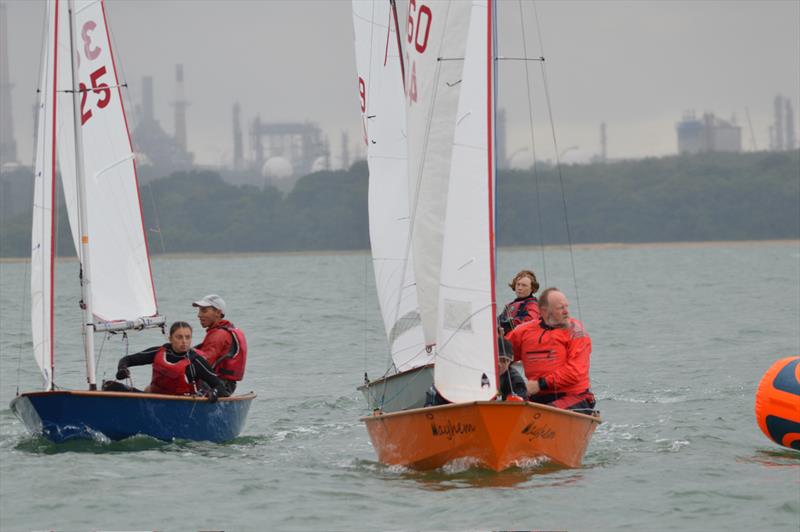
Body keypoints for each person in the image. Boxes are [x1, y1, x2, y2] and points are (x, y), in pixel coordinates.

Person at [505, 288, 596, 414]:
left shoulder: (576, 332)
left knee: (546, 413)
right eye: (560, 308)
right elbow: (500, 356)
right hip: (538, 397)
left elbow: (575, 372)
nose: (566, 312)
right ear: (544, 311)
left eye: (566, 307)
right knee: (510, 410)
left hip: (574, 396)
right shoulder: (523, 332)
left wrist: (540, 384)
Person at [103, 321, 230, 402]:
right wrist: (122, 369)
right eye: (179, 337)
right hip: (153, 400)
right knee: (109, 386)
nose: (184, 341)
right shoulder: (158, 352)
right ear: (170, 338)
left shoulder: (196, 361)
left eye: (188, 337)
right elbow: (127, 360)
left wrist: (214, 393)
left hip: (180, 406)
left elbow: (220, 387)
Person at [192, 294, 247, 394]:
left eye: (204, 311)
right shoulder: (223, 331)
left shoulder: (218, 335)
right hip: (226, 385)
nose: (199, 315)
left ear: (218, 312)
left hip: (216, 386)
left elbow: (204, 363)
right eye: (199, 311)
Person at [497, 269, 540, 335]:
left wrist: (508, 324)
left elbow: (530, 321)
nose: (520, 288)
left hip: (521, 340)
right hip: (506, 339)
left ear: (532, 288)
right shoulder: (509, 306)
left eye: (524, 285)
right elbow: (497, 321)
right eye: (518, 284)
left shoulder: (533, 305)